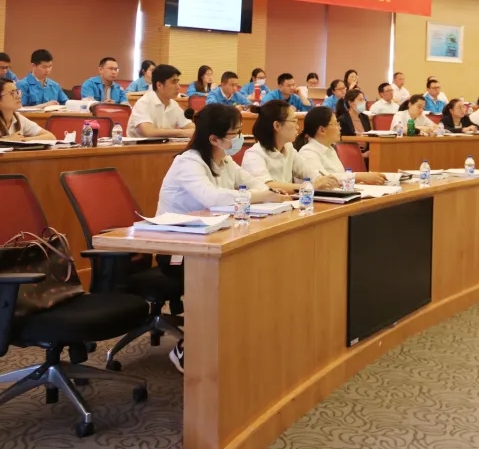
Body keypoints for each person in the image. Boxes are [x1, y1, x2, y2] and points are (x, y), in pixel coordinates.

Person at [156, 103, 287, 374]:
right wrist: (262, 196)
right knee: (228, 275)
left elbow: (256, 185)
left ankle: (232, 343)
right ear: (214, 139)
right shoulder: (188, 162)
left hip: (210, 239)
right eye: (235, 132)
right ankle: (187, 347)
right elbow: (213, 198)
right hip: (177, 249)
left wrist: (268, 193)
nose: (240, 138)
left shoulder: (224, 161)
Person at [243, 100, 337, 191]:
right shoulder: (254, 155)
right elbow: (268, 186)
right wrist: (309, 187)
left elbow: (308, 171)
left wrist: (321, 179)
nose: (298, 127)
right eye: (294, 121)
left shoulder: (288, 148)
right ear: (277, 125)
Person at [295, 106, 384, 184]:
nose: (340, 127)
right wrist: (359, 177)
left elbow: (340, 177)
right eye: (336, 124)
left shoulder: (330, 149)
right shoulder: (308, 152)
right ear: (322, 130)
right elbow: (323, 180)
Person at [128, 64, 194, 138]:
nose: (178, 87)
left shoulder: (174, 105)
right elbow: (148, 132)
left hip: (164, 144)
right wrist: (183, 133)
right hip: (139, 145)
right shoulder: (143, 103)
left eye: (177, 82)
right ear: (159, 85)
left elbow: (190, 126)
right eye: (173, 82)